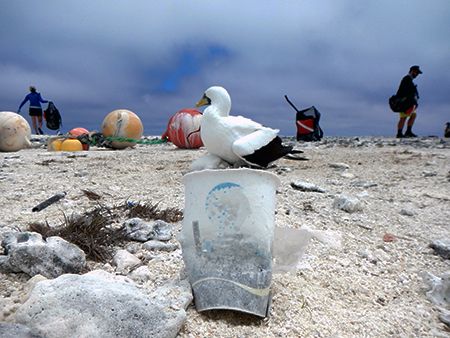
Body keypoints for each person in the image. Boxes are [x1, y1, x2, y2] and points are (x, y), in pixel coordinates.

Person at [395, 65, 422, 138]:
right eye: (417, 73)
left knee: (413, 115)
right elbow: (405, 91)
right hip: (403, 102)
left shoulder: (409, 79)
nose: (417, 75)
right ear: (413, 71)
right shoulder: (407, 79)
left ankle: (408, 132)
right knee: (403, 117)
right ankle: (399, 133)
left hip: (407, 102)